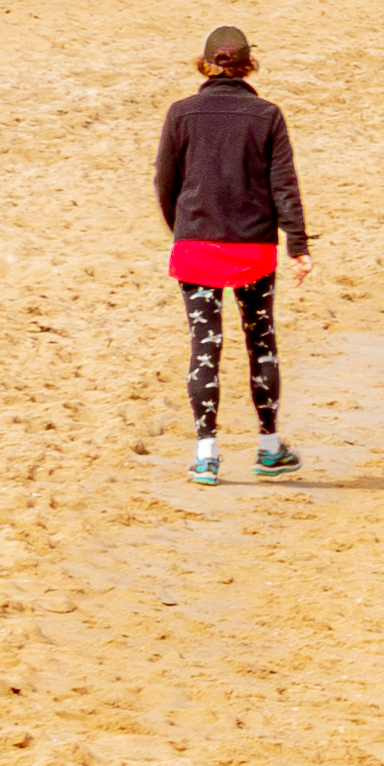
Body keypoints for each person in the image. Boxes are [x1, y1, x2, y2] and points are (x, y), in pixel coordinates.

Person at [153, 26, 309, 483]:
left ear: (205, 64)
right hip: (252, 248)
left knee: (206, 345)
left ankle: (206, 454)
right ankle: (267, 447)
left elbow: (165, 183)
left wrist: (182, 228)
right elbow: (284, 185)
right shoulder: (266, 115)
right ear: (248, 64)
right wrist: (297, 244)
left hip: (196, 244)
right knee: (261, 340)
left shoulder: (181, 114)